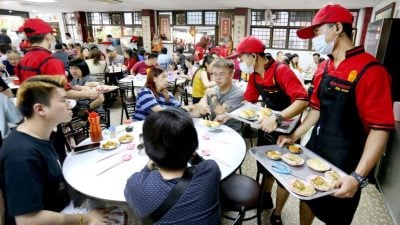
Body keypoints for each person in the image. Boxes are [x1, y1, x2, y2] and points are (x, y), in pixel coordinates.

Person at [277, 4, 394, 225]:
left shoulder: (371, 71)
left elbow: (380, 130)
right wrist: (295, 135)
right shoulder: (324, 67)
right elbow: (316, 110)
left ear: (338, 28)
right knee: (309, 197)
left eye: (317, 32)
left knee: (337, 213)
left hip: (347, 159)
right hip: (317, 149)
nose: (314, 39)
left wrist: (358, 176)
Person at [0, 75, 113, 225]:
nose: (70, 104)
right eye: (63, 100)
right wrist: (85, 219)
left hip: (61, 208)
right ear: (40, 109)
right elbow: (27, 220)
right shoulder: (21, 155)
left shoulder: (40, 136)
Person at [228, 35, 309, 225]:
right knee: (266, 165)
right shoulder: (255, 76)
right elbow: (247, 101)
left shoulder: (281, 71)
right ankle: (265, 198)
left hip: (289, 128)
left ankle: (278, 213)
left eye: (241, 58)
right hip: (268, 125)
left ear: (253, 57)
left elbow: (303, 100)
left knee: (285, 172)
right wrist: (229, 114)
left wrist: (278, 117)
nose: (240, 63)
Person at [125, 108, 221, 224]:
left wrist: (149, 166)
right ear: (193, 143)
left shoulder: (135, 185)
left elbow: (134, 204)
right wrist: (194, 156)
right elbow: (202, 164)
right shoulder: (211, 169)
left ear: (149, 149)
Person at [190, 58, 244, 132]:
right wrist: (201, 105)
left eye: (221, 74)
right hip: (214, 130)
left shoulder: (238, 93)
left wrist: (212, 96)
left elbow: (221, 113)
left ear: (231, 75)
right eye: (215, 74)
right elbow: (200, 109)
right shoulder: (213, 89)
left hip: (231, 132)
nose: (217, 78)